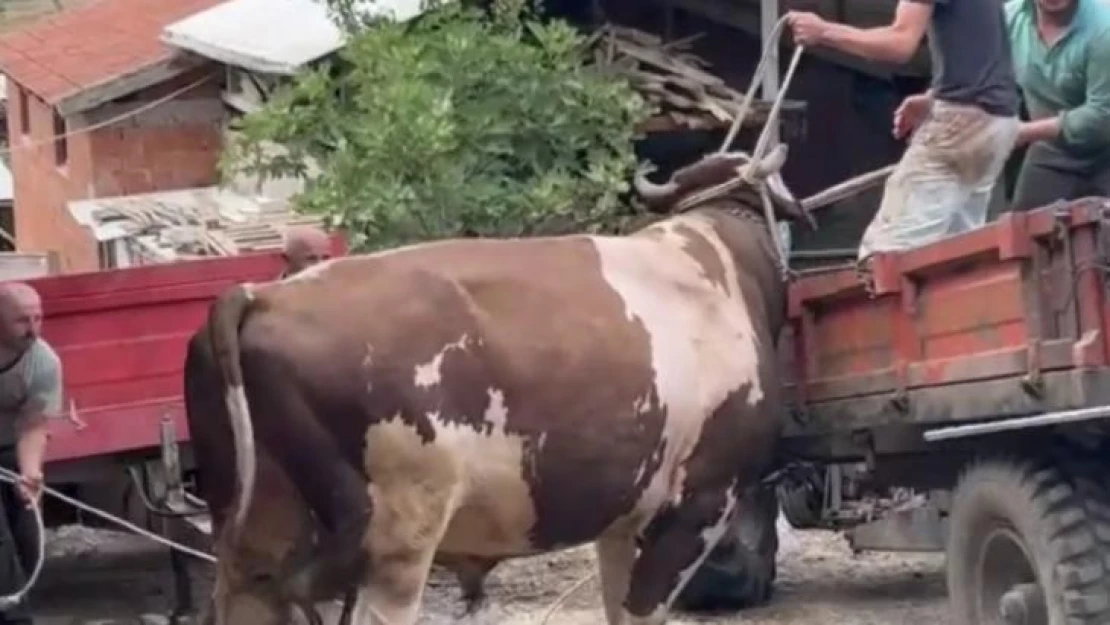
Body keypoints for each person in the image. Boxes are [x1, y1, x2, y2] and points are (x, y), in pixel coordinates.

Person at [786, 0, 1022, 264]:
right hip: (997, 122)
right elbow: (981, 51)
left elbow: (900, 43)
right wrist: (934, 98)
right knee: (961, 253)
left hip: (961, 123)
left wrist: (823, 31)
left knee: (885, 254)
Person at [1003, 0, 1110, 211]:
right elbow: (985, 78)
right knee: (1023, 231)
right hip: (1053, 148)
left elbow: (1102, 115)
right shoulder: (1010, 18)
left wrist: (1023, 132)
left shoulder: (1104, 26)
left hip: (1106, 146)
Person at [0, 282, 62, 625]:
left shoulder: (43, 362)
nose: (33, 329)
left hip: (10, 445)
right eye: (22, 320)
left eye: (38, 318)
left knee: (28, 533)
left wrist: (29, 474)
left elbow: (32, 425)